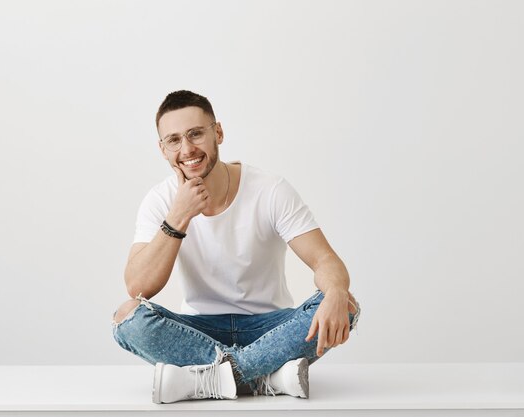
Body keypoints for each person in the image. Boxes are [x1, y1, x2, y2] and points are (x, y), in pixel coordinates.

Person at [112, 90, 360, 404]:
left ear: (218, 133)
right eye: (174, 140)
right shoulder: (160, 200)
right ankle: (264, 376)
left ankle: (209, 379)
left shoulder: (270, 190)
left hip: (270, 328)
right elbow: (138, 287)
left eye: (196, 134)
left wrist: (336, 291)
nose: (187, 149)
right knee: (127, 317)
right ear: (163, 150)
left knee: (345, 304)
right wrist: (178, 216)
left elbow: (326, 261)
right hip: (198, 330)